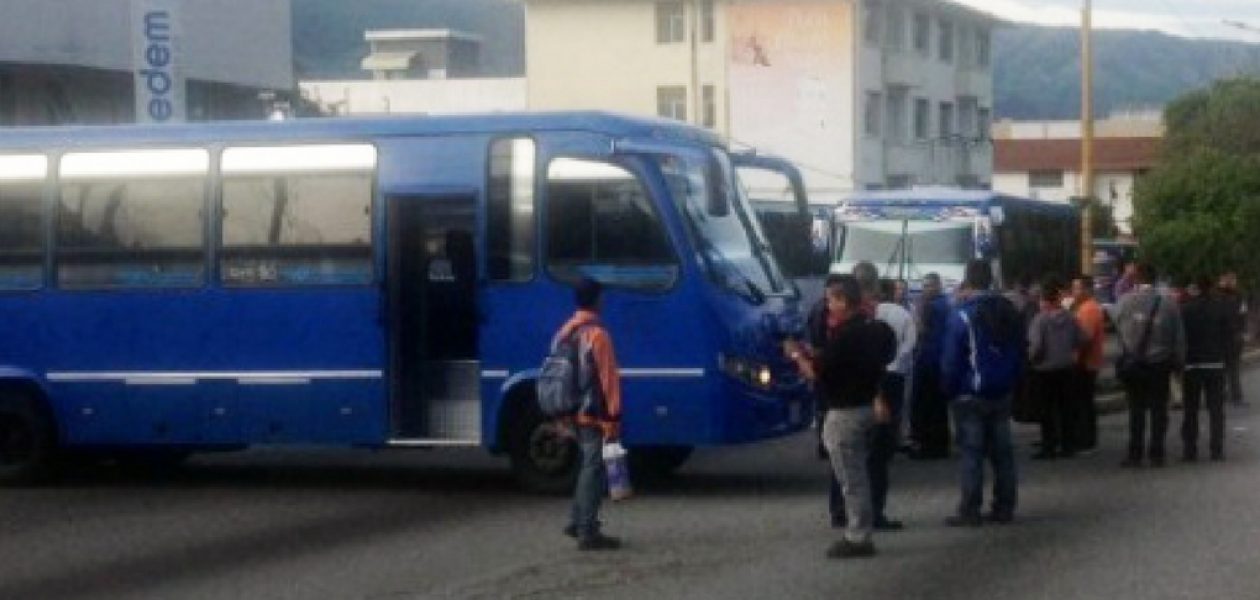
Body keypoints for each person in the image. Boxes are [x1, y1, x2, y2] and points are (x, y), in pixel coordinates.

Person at [786, 275, 896, 558]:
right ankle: (865, 524)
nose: (828, 305)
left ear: (844, 302)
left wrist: (797, 356)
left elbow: (816, 372)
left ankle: (858, 536)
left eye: (832, 300)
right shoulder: (876, 330)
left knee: (851, 477)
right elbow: (882, 360)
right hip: (869, 406)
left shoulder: (844, 335)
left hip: (845, 411)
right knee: (863, 472)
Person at [830, 266, 915, 532]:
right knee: (878, 453)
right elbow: (909, 346)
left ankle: (840, 509)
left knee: (846, 452)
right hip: (888, 381)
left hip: (850, 386)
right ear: (877, 284)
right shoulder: (896, 314)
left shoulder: (841, 317)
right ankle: (874, 511)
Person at [941, 260, 1025, 526]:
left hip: (970, 392)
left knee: (971, 453)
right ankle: (1005, 506)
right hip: (1002, 390)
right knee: (1003, 453)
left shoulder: (963, 314)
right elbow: (1021, 350)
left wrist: (950, 389)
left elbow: (951, 359)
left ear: (967, 280)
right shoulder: (1011, 311)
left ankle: (970, 509)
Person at [553, 277, 623, 551]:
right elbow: (608, 380)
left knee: (587, 466)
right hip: (593, 413)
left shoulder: (566, 331)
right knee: (593, 470)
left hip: (571, 409)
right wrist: (613, 418)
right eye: (601, 297)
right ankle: (587, 530)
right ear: (596, 300)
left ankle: (576, 520)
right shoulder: (598, 335)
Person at [1114, 263, 1186, 468]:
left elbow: (1117, 329)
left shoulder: (1124, 302)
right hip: (1160, 365)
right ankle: (1157, 453)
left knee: (1136, 411)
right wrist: (1179, 364)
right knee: (1158, 410)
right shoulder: (1169, 304)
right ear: (1155, 279)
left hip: (1133, 364)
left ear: (1135, 279)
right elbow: (1178, 338)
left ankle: (1135, 454)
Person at [1028, 277, 1084, 460]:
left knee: (1047, 411)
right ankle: (1068, 446)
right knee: (1066, 408)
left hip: (1045, 370)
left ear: (1044, 300)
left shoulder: (1039, 320)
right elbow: (1082, 339)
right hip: (1067, 367)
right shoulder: (1071, 317)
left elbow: (1036, 346)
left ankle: (1049, 447)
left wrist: (1031, 360)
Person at [1181, 276, 1232, 461]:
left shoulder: (1186, 309)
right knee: (1216, 410)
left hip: (1192, 364)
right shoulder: (1221, 308)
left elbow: (1181, 338)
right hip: (1215, 363)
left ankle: (1190, 450)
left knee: (1191, 409)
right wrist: (1226, 360)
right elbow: (1228, 337)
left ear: (1197, 288)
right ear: (1211, 288)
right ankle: (1216, 450)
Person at [911, 272, 953, 459]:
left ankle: (928, 445)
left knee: (926, 404)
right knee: (939, 406)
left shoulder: (929, 306)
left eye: (929, 286)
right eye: (924, 285)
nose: (926, 289)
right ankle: (941, 444)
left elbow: (920, 330)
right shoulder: (947, 304)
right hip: (941, 359)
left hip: (928, 359)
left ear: (937, 286)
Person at [1070, 275, 1106, 452]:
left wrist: (1075, 358)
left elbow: (1085, 338)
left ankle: (1086, 439)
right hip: (1087, 361)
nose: (1074, 292)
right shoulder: (1084, 308)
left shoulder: (1088, 309)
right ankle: (1085, 437)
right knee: (1084, 402)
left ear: (1087, 289)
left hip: (1085, 362)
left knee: (1083, 403)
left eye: (1077, 288)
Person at [1218, 272, 1247, 406]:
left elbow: (1243, 315)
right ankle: (1235, 396)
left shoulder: (1218, 296)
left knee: (1224, 368)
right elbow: (1242, 316)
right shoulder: (1237, 297)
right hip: (1232, 337)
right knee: (1232, 368)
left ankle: (1223, 394)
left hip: (1225, 337)